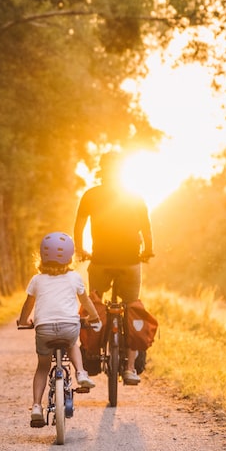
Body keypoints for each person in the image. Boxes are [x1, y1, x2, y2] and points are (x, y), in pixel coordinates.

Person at [73, 150, 153, 383]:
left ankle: (91, 352)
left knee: (95, 302)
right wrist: (147, 251)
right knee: (131, 307)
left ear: (102, 169)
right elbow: (146, 229)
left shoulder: (91, 195)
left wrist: (80, 250)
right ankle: (129, 368)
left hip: (100, 260)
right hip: (129, 261)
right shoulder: (135, 196)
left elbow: (79, 227)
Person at [15, 231, 95, 427]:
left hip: (44, 329)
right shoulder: (74, 277)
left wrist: (23, 321)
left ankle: (36, 406)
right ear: (70, 256)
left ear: (42, 256)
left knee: (43, 367)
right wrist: (94, 317)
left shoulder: (37, 280)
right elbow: (85, 300)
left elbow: (28, 305)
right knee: (73, 344)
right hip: (69, 326)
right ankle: (81, 373)